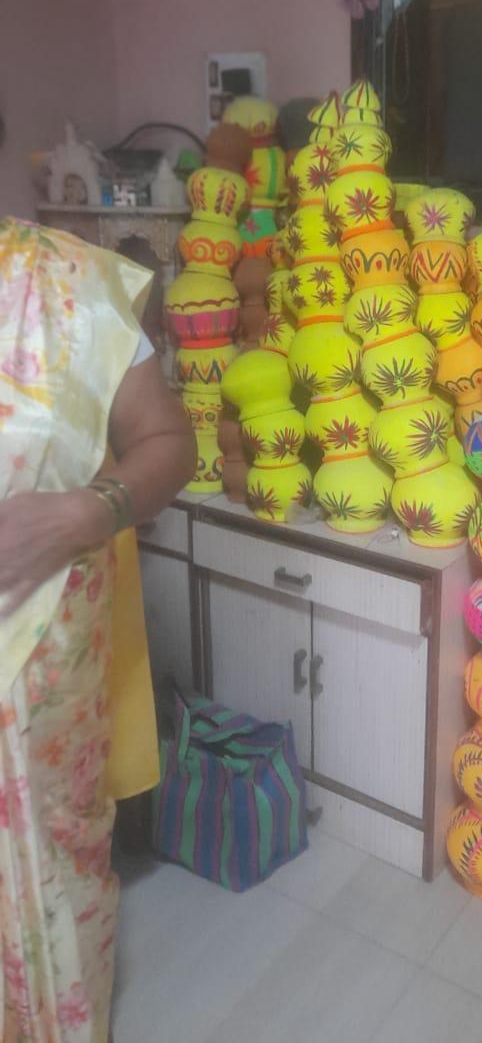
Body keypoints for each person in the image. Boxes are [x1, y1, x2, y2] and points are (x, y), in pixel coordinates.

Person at [0, 216, 196, 1041]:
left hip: (45, 674)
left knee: (55, 884)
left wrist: (87, 511)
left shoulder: (75, 288)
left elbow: (168, 442)